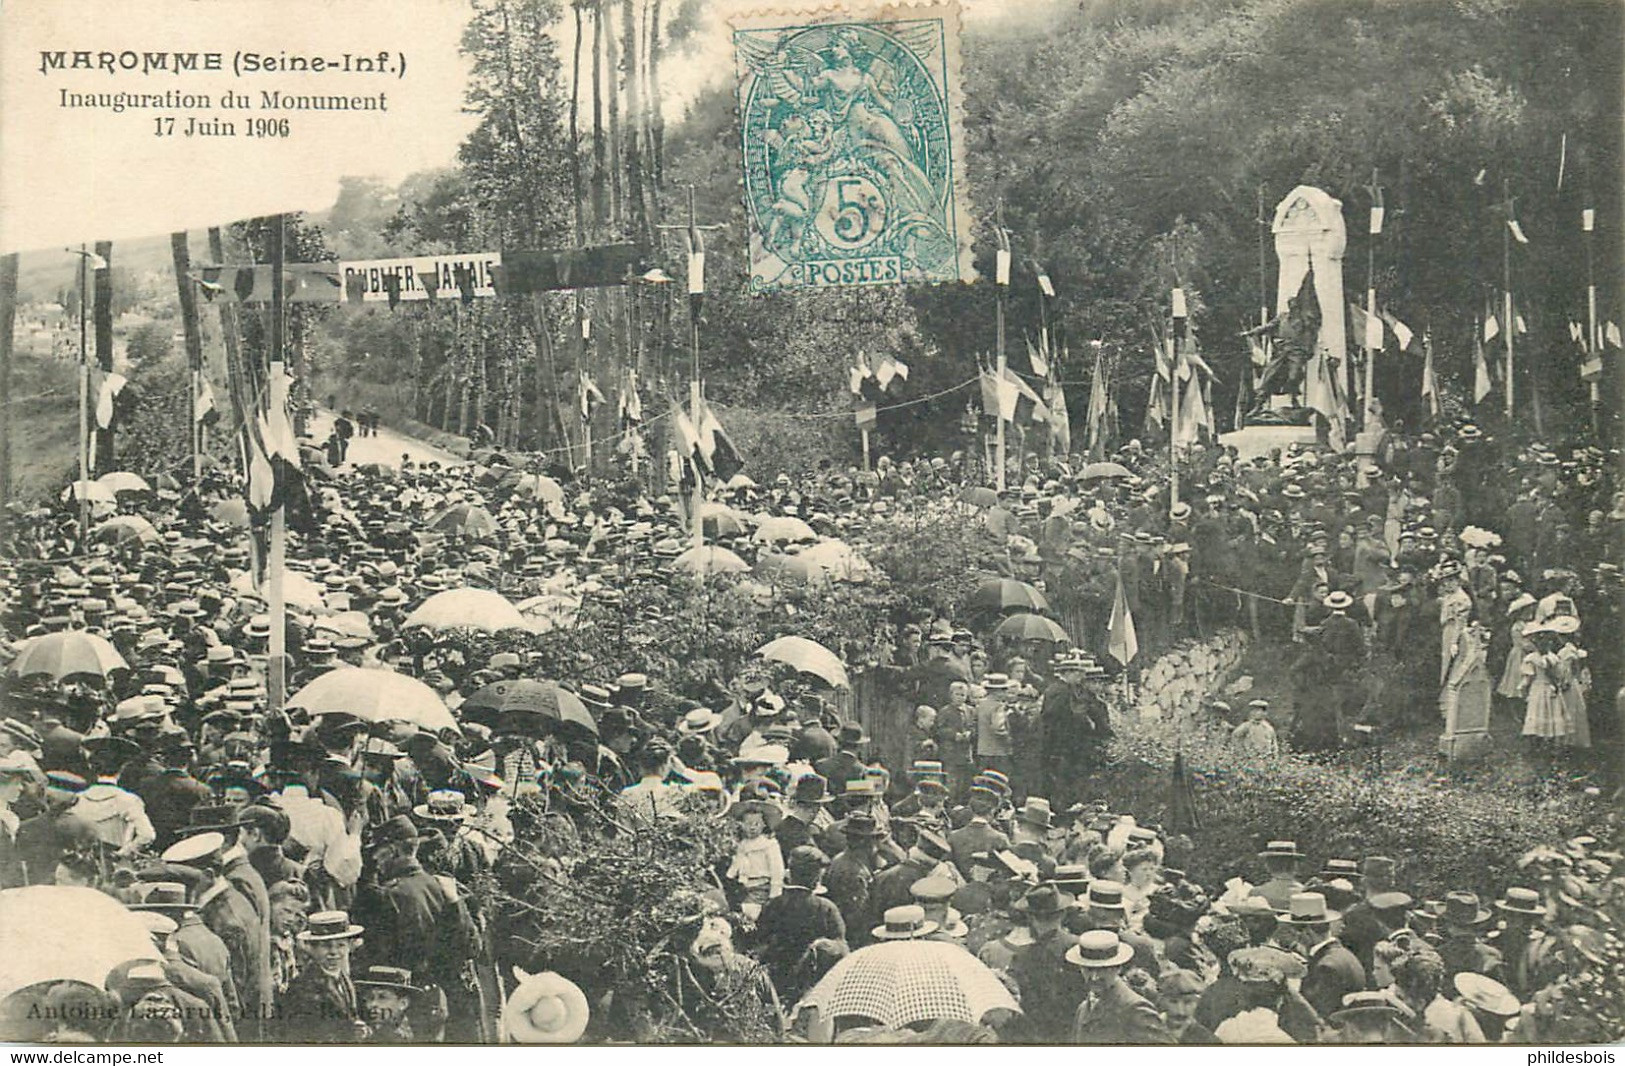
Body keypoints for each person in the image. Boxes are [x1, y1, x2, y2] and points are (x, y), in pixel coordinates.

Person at [277, 910, 369, 1042]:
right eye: (326, 946)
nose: (334, 952)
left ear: (349, 947)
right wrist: (348, 1033)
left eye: (340, 945)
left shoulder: (344, 979)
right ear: (311, 948)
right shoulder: (303, 986)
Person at [1067, 930, 1169, 1043]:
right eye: (1088, 969)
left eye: (1103, 969)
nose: (1094, 977)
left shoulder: (1136, 1009)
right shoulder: (1083, 1009)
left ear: (1118, 968)